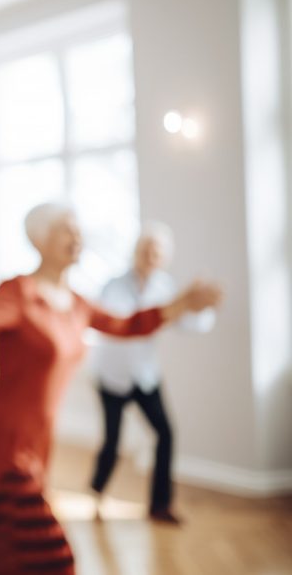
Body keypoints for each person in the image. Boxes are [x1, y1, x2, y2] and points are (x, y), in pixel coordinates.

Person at [0, 203, 221, 575]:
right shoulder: (19, 294)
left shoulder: (77, 303)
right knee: (53, 557)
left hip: (39, 439)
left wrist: (182, 305)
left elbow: (127, 326)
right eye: (66, 229)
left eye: (79, 230)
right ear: (40, 240)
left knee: (10, 548)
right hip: (3, 437)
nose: (78, 237)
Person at [89, 221, 215, 525]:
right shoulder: (113, 286)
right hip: (112, 377)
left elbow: (189, 325)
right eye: (145, 250)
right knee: (112, 443)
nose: (150, 256)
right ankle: (96, 493)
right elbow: (123, 325)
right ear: (135, 252)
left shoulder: (166, 288)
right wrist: (175, 305)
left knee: (166, 434)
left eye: (156, 252)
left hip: (145, 376)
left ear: (165, 258)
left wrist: (198, 307)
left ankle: (160, 505)